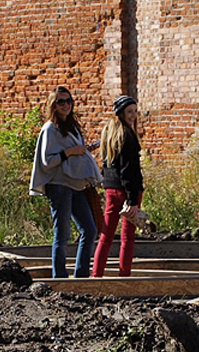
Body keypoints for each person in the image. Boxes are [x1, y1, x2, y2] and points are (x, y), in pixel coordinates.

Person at [30, 86, 101, 277]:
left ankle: (81, 275)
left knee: (90, 230)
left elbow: (74, 152)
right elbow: (47, 161)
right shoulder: (50, 129)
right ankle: (59, 277)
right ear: (53, 105)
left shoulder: (72, 127)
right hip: (59, 186)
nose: (66, 105)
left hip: (77, 184)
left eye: (68, 101)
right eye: (61, 101)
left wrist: (83, 150)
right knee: (62, 234)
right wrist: (70, 152)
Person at [92, 95, 144, 277]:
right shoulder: (127, 136)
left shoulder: (109, 133)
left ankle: (96, 275)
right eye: (130, 112)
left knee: (106, 235)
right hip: (128, 191)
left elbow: (107, 166)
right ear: (121, 112)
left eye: (135, 111)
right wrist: (132, 199)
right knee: (127, 237)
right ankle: (124, 275)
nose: (133, 116)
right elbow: (129, 170)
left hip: (111, 190)